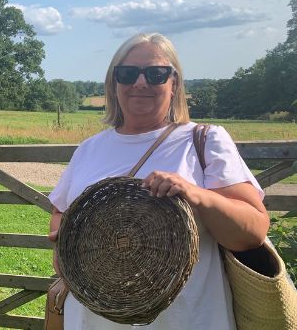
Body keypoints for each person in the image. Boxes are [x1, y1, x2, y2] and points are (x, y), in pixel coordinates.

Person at [47, 33, 269, 329]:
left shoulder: (202, 140)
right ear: (114, 83)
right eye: (127, 74)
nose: (140, 83)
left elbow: (252, 231)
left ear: (174, 83)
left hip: (186, 319)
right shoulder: (90, 148)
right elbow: (61, 212)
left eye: (155, 74)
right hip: (91, 319)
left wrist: (195, 194)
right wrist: (66, 245)